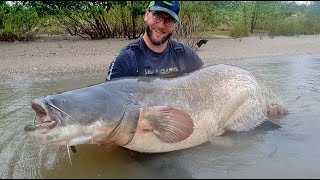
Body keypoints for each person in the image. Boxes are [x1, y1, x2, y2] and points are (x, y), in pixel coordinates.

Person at [106, 1, 204, 81]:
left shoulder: (185, 55)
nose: (161, 25)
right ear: (146, 15)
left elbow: (208, 83)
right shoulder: (126, 59)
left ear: (175, 25)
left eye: (169, 21)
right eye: (157, 16)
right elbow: (108, 100)